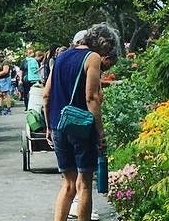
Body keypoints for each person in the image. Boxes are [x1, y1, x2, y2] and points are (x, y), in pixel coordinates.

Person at [44, 25, 118, 221]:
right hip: (81, 127)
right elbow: (91, 98)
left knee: (68, 184)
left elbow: (46, 94)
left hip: (58, 125)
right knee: (84, 184)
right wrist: (101, 133)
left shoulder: (60, 57)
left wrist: (48, 126)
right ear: (103, 43)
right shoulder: (92, 57)